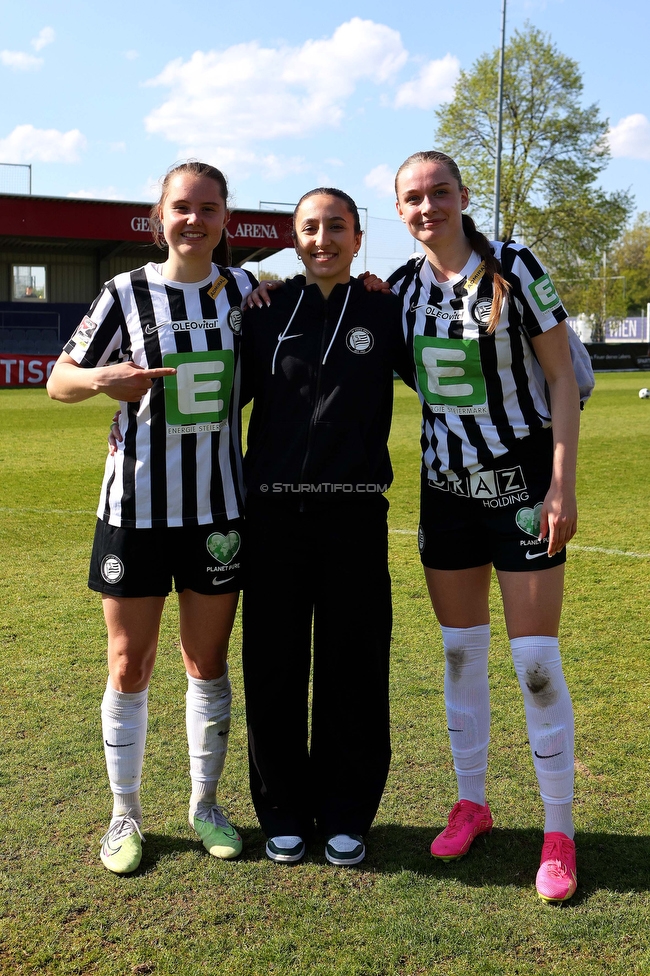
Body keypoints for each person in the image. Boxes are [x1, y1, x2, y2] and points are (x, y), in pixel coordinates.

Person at [47, 160, 255, 874]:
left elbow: (317, 292)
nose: (194, 219)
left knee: (206, 664)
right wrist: (102, 379)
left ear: (226, 217)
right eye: (181, 207)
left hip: (217, 511)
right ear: (157, 217)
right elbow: (59, 380)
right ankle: (124, 816)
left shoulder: (247, 290)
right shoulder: (124, 293)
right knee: (129, 664)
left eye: (208, 207)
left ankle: (205, 804)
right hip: (134, 512)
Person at [388, 150, 580, 902]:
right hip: (445, 495)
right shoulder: (399, 289)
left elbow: (562, 376)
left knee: (535, 663)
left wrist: (562, 484)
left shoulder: (514, 266)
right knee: (462, 658)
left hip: (525, 489)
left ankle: (558, 829)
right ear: (399, 210)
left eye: (440, 192)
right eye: (413, 197)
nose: (428, 206)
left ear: (463, 197)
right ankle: (473, 802)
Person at [240, 188, 413, 866]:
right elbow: (220, 400)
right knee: (274, 667)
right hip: (274, 516)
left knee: (355, 669)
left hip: (354, 514)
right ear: (294, 237)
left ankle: (347, 812)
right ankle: (281, 809)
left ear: (358, 237)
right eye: (310, 228)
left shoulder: (383, 308)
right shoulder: (264, 310)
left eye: (335, 227)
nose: (322, 239)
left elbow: (443, 380)